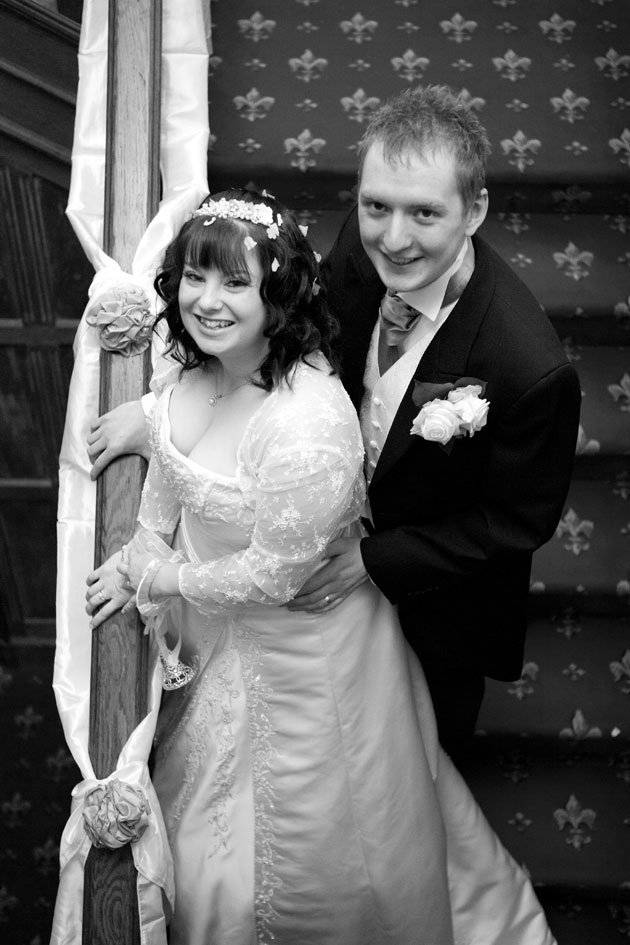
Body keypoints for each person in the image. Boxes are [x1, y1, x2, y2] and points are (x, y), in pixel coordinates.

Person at [85, 187, 557, 944]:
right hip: (219, 632)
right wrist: (142, 515)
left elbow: (273, 578)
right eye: (195, 278)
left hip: (303, 649)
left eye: (235, 282)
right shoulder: (192, 364)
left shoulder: (306, 425)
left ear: (276, 295)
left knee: (317, 846)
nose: (207, 301)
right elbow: (171, 473)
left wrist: (156, 576)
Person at [88, 85, 582, 768]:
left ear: (475, 211)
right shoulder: (361, 241)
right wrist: (159, 419)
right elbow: (287, 339)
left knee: (419, 760)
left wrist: (372, 561)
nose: (394, 237)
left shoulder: (528, 369)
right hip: (311, 515)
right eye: (377, 205)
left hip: (436, 596)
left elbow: (513, 521)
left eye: (425, 213)